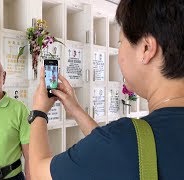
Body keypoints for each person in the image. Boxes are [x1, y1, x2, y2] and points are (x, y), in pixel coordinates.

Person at [29, 0, 184, 179]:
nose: (119, 54)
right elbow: (112, 149)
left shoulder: (124, 139)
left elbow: (38, 173)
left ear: (146, 48)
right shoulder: (123, 143)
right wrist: (76, 110)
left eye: (120, 43)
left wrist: (39, 112)